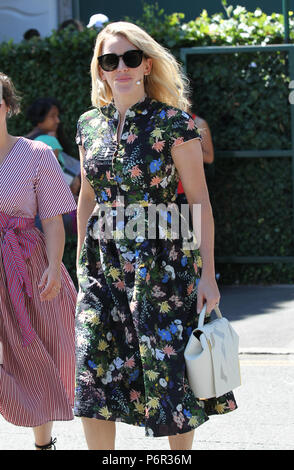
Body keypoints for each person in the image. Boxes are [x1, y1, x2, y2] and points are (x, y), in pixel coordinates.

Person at [75, 21, 237, 451]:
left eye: (131, 58)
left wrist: (208, 275)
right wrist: (79, 266)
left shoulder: (174, 123)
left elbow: (199, 201)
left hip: (162, 262)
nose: (121, 67)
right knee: (93, 369)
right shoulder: (88, 125)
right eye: (111, 60)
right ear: (101, 70)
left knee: (166, 373)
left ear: (147, 64)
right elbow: (86, 198)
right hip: (101, 265)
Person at [0, 73, 77, 450]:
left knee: (39, 352)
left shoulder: (36, 155)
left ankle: (43, 444)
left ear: (8, 107)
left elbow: (52, 218)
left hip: (26, 264)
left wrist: (53, 264)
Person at [26, 97, 78, 232]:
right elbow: (55, 175)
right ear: (40, 118)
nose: (57, 121)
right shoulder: (48, 140)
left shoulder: (25, 141)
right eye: (52, 116)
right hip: (58, 210)